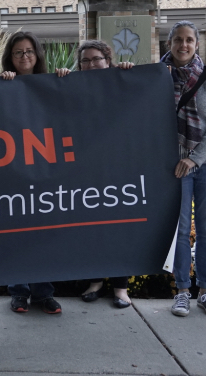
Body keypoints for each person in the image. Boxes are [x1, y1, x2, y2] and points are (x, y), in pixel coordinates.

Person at [159, 21, 206, 318]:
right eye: (178, 40)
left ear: (196, 44)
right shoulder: (158, 76)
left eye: (189, 40)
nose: (183, 45)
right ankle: (183, 291)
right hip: (175, 166)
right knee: (182, 230)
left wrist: (195, 158)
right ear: (169, 43)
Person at [61, 40, 134, 308]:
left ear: (108, 60)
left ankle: (120, 287)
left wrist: (130, 72)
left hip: (117, 166)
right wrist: (61, 80)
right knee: (89, 226)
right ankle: (94, 282)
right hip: (86, 167)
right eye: (85, 61)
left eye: (96, 59)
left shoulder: (121, 82)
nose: (91, 64)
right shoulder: (74, 87)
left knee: (118, 226)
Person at [0, 32, 62, 315]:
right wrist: (1, 85)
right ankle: (19, 292)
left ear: (38, 55)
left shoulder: (53, 83)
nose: (24, 57)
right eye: (18, 52)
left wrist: (65, 79)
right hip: (12, 169)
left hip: (45, 169)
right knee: (16, 235)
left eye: (29, 51)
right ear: (9, 57)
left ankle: (44, 292)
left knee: (44, 235)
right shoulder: (0, 85)